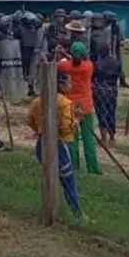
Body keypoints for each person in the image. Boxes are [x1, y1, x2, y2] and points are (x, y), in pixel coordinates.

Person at [27, 72, 83, 218]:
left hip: (41, 142)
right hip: (60, 144)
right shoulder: (64, 103)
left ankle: (49, 207)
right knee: (68, 181)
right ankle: (77, 213)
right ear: (61, 85)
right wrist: (75, 123)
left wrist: (39, 129)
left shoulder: (38, 101)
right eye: (69, 83)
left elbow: (29, 119)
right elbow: (64, 128)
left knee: (48, 176)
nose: (71, 86)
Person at [57, 41, 101, 174]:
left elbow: (62, 63)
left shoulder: (64, 66)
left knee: (72, 138)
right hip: (86, 106)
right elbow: (80, 61)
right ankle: (93, 168)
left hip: (70, 105)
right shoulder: (88, 66)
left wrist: (63, 54)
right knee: (88, 138)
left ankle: (74, 165)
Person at [92, 46, 121, 146]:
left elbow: (93, 78)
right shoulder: (115, 62)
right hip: (112, 90)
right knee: (111, 113)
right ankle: (112, 138)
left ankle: (103, 138)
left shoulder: (97, 64)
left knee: (101, 113)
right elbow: (120, 75)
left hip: (100, 91)